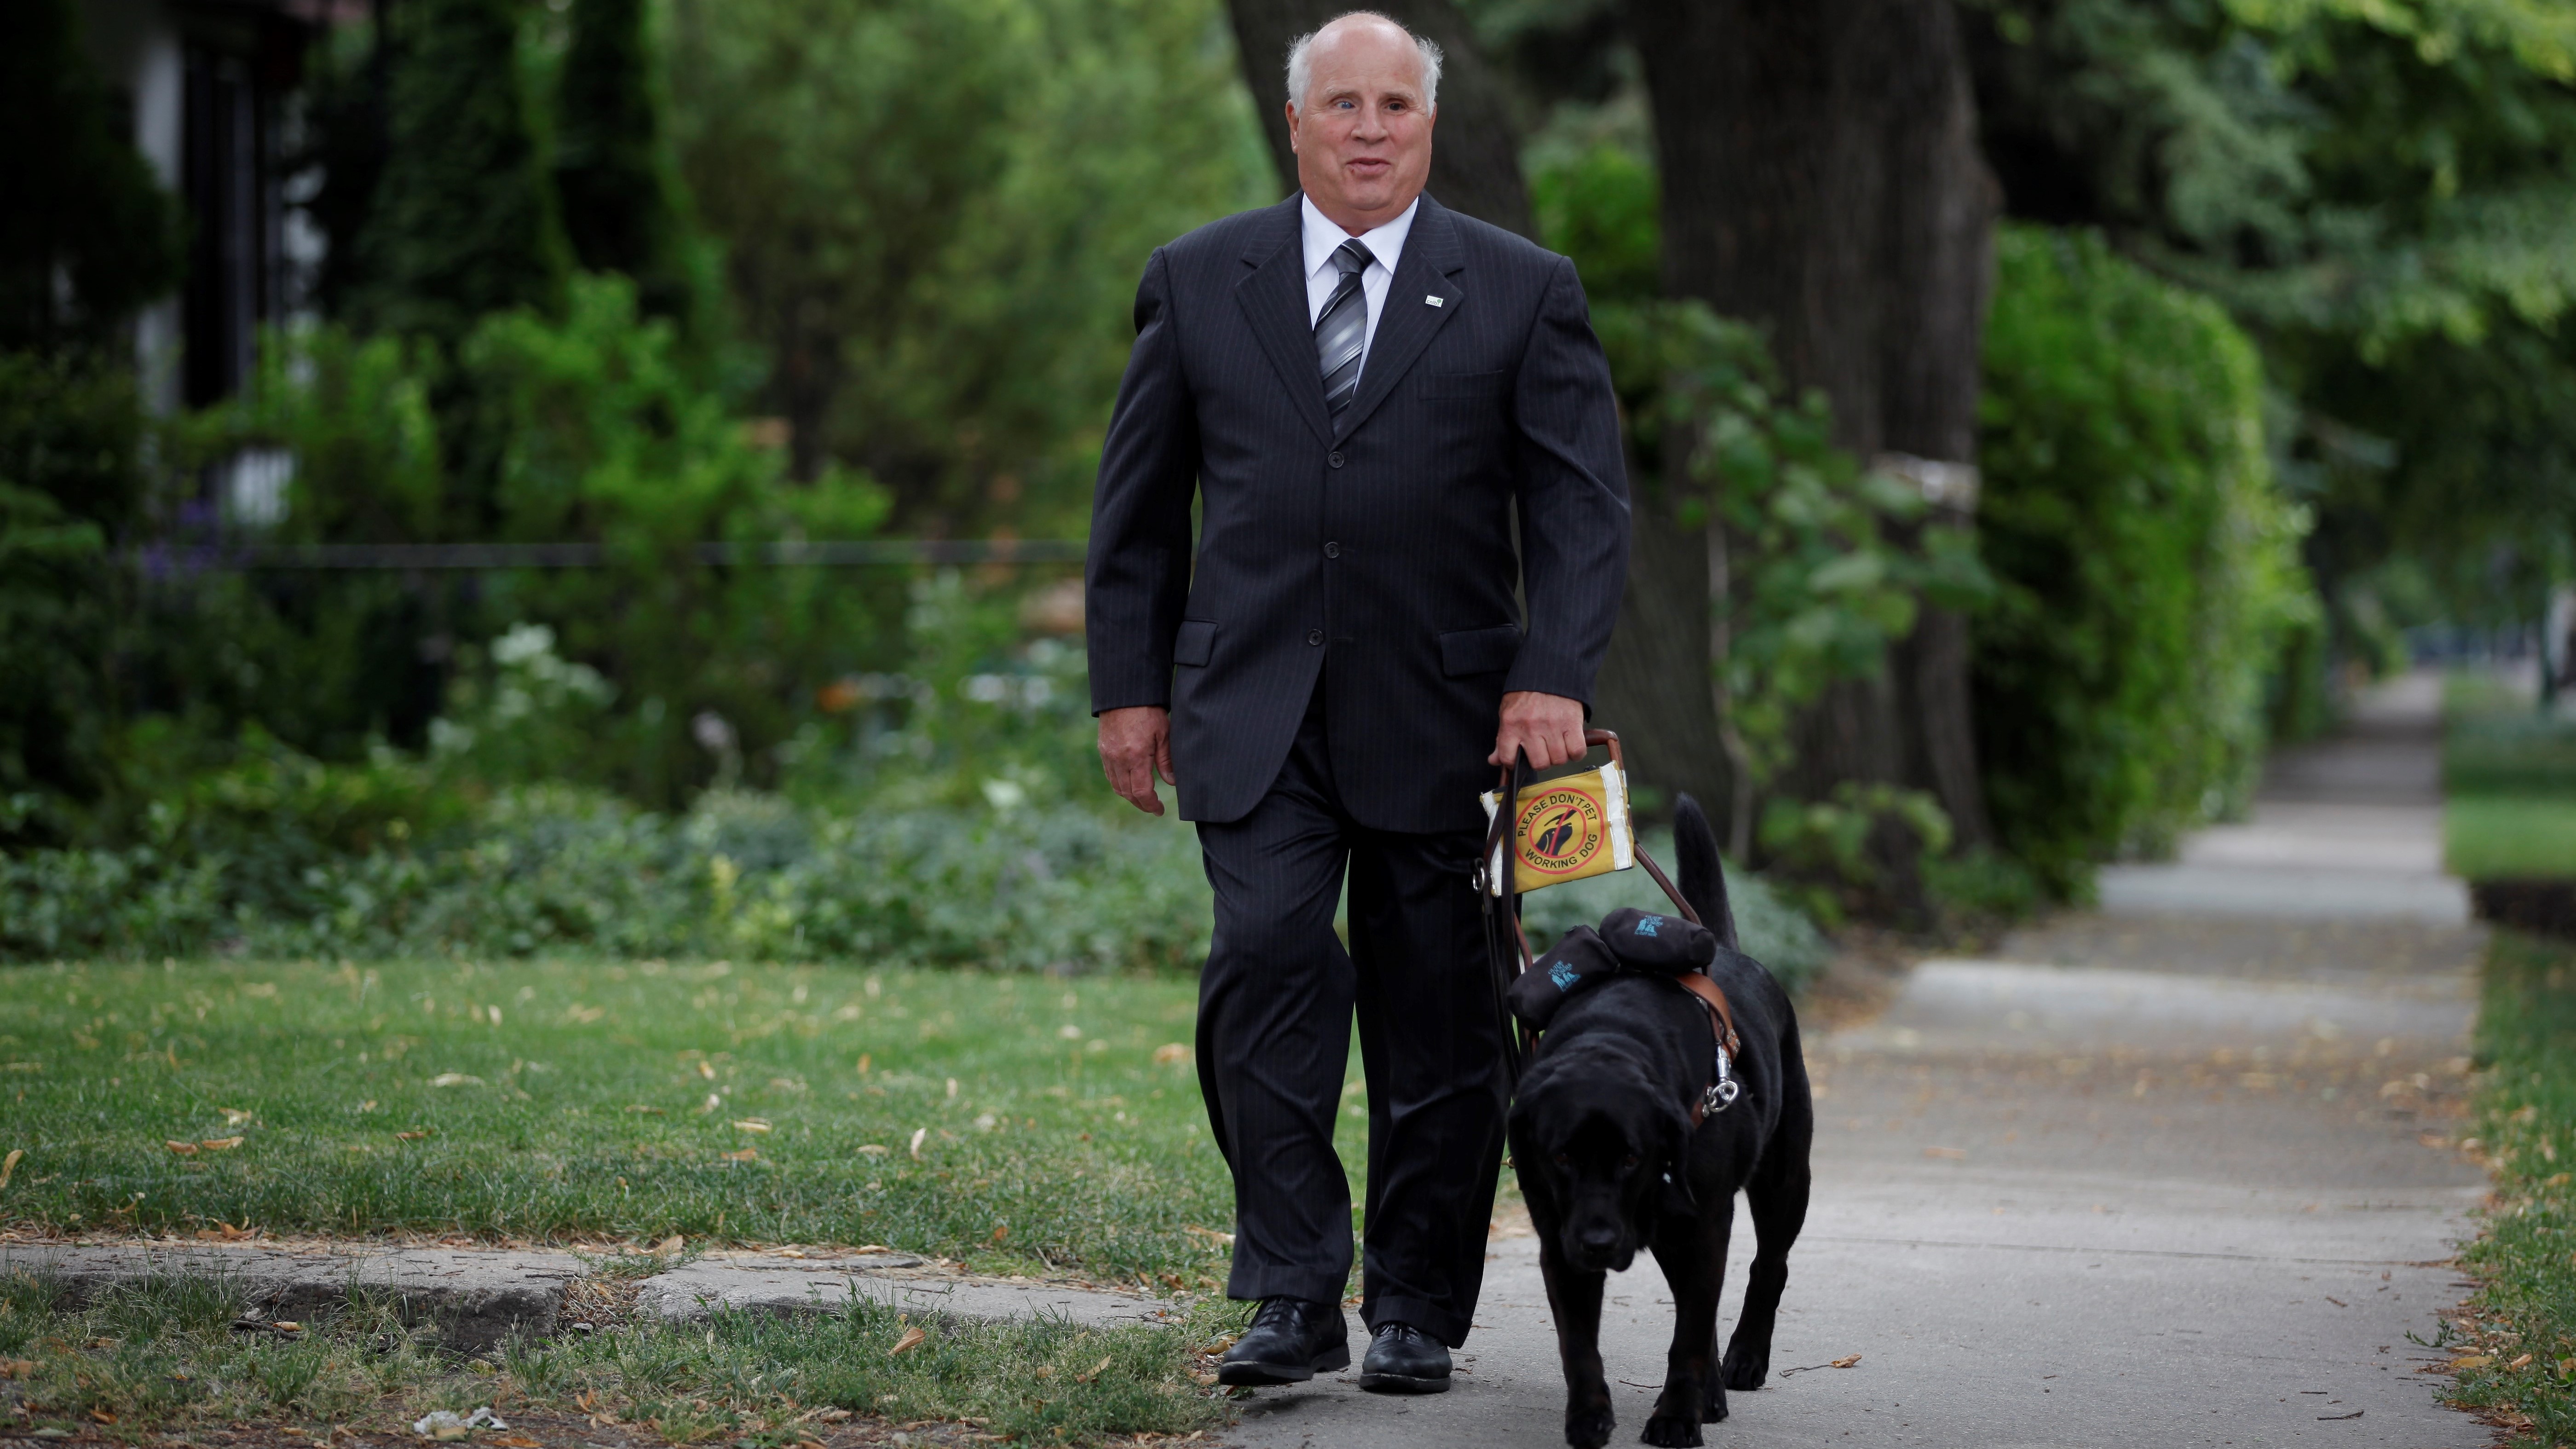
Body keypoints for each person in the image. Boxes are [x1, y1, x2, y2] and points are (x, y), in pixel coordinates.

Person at [1084, 9, 1629, 1397]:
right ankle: (1288, 1290)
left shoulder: (1520, 288)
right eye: (1344, 105)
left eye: (1397, 105)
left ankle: (1417, 1307)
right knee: (1266, 969)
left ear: (1429, 126)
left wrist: (1552, 670)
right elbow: (1138, 515)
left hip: (1451, 719)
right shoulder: (1200, 281)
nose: (1371, 129)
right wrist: (1129, 693)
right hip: (1250, 708)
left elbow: (1581, 507)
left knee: (1437, 1016)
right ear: (1296, 123)